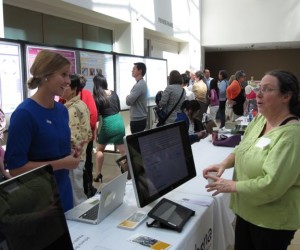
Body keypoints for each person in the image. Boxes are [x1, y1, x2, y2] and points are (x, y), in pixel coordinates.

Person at [203, 70, 300, 250]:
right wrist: (224, 163)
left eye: (267, 89)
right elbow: (243, 147)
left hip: (271, 221)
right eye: (258, 88)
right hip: (247, 209)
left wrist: (231, 186)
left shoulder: (291, 136)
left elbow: (271, 185)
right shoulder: (261, 119)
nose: (258, 94)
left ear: (286, 96)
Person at [4, 50, 82, 212]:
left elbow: (53, 149)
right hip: (39, 204)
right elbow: (16, 168)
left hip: (64, 195)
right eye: (63, 74)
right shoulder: (24, 114)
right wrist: (63, 163)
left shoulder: (61, 110)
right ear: (46, 75)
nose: (68, 81)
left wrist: (72, 152)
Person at [61, 74, 92, 206]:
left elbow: (71, 137)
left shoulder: (70, 110)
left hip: (73, 156)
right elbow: (89, 133)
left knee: (75, 193)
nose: (63, 87)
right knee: (78, 187)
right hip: (81, 154)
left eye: (66, 85)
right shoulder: (82, 104)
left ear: (74, 89)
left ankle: (81, 220)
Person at [93, 73, 126, 183]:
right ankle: (128, 172)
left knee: (99, 150)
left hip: (108, 124)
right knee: (123, 150)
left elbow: (97, 119)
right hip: (119, 121)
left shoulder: (97, 97)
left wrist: (96, 133)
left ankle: (98, 174)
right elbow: (118, 109)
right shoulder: (114, 93)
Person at [77, 76, 98, 198]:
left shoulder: (66, 99)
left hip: (77, 138)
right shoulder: (87, 94)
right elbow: (93, 115)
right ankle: (88, 187)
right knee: (87, 161)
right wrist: (90, 130)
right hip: (86, 136)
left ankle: (86, 187)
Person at [126, 62, 148, 133]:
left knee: (135, 143)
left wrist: (127, 96)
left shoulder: (139, 85)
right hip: (139, 119)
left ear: (140, 71)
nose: (132, 70)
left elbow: (128, 101)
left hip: (138, 121)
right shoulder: (140, 84)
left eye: (134, 69)